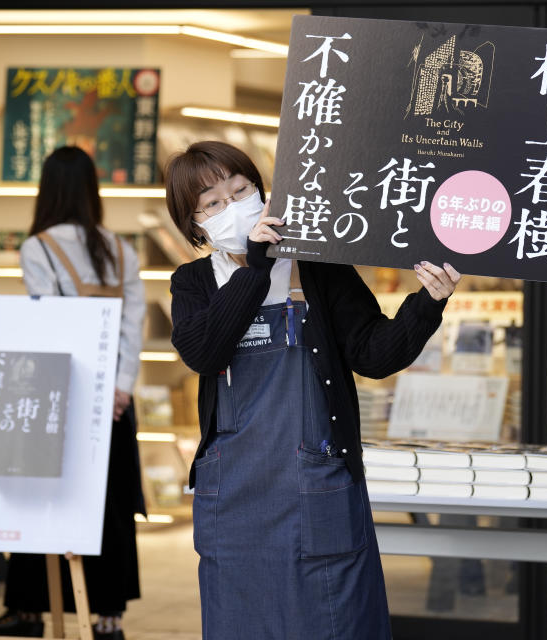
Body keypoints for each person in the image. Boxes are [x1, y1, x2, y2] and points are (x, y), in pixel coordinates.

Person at [164, 141, 461, 639]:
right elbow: (205, 352)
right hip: (234, 497)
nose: (233, 207)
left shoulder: (317, 267)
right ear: (195, 224)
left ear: (261, 192)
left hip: (316, 485)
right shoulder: (192, 282)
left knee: (336, 622)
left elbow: (374, 354)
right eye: (213, 203)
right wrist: (256, 268)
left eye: (241, 190)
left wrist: (427, 304)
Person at [0, 146, 146, 640]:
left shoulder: (39, 247)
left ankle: (30, 610)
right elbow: (132, 326)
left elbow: (48, 326)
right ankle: (108, 619)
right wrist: (120, 389)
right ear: (92, 190)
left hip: (61, 396)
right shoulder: (122, 248)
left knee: (41, 496)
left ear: (47, 190)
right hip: (116, 400)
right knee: (112, 503)